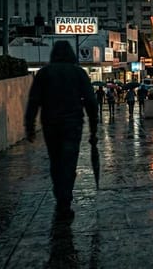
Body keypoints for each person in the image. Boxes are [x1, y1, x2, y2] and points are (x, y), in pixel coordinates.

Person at [24, 40, 98, 220]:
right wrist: (93, 129)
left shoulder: (44, 73)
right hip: (73, 125)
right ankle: (65, 200)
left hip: (50, 124)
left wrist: (30, 126)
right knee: (69, 162)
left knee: (56, 162)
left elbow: (33, 101)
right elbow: (91, 102)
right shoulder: (78, 73)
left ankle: (61, 199)